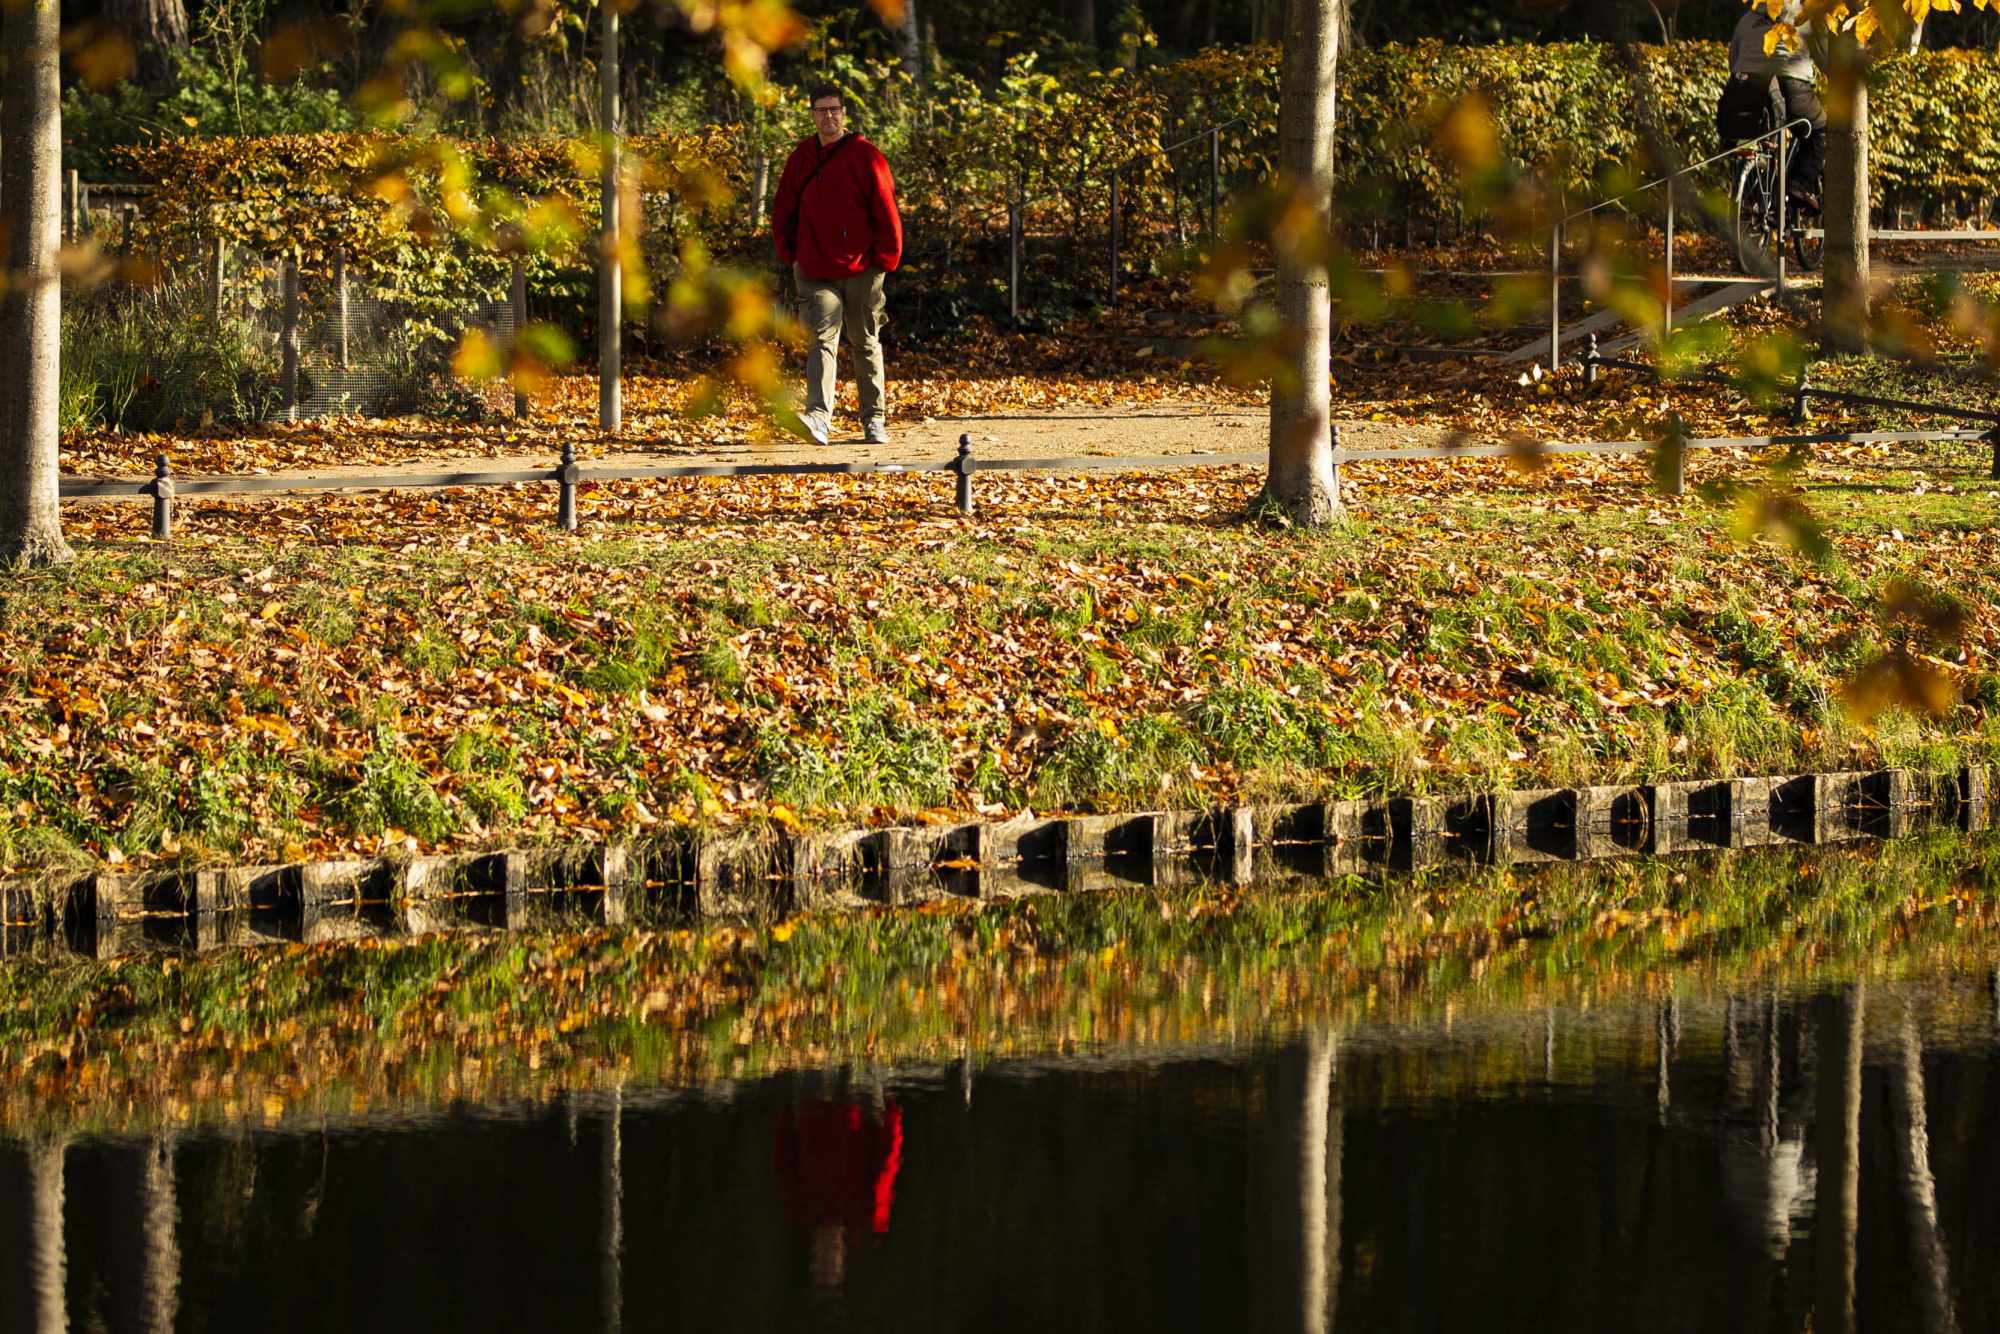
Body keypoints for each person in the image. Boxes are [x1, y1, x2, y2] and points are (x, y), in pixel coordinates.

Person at [771, 83, 904, 446]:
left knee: (865, 341)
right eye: (821, 110)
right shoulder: (801, 158)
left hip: (863, 267)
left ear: (844, 113)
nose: (828, 116)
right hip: (814, 268)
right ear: (812, 115)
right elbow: (783, 209)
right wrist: (791, 254)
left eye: (834, 109)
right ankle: (818, 417)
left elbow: (886, 210)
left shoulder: (867, 156)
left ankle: (874, 419)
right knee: (822, 339)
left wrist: (885, 260)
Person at [1716, 5, 1824, 212]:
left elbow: (1733, 58)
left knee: (1759, 131)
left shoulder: (1748, 18)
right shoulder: (1805, 16)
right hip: (1792, 84)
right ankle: (1799, 184)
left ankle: (1755, 187)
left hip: (1745, 87)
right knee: (1820, 129)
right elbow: (1824, 55)